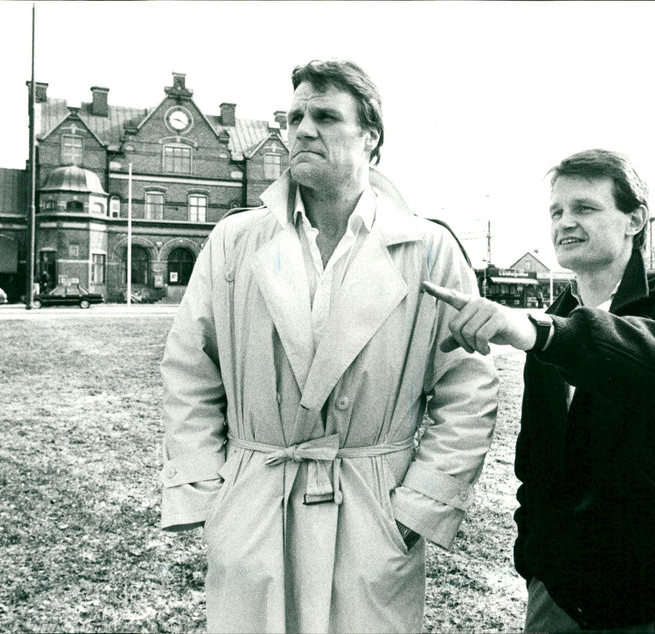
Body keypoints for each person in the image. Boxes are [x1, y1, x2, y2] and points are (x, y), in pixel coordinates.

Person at [159, 59, 498, 633]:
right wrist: (214, 498)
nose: (302, 130)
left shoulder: (428, 249)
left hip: (371, 505)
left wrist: (416, 506)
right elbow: (191, 370)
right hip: (257, 500)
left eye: (324, 116)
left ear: (372, 137)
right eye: (295, 116)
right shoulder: (235, 241)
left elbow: (466, 390)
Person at [423, 149, 655, 632]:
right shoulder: (551, 318)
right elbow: (538, 462)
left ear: (634, 219)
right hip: (562, 596)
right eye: (557, 211)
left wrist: (549, 334)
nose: (565, 222)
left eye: (585, 208)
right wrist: (537, 563)